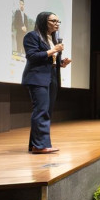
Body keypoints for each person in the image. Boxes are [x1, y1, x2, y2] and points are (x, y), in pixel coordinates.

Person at [22, 11, 71, 153]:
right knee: (41, 110)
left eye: (58, 21)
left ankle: (35, 144)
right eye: (53, 21)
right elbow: (32, 56)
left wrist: (61, 63)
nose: (57, 24)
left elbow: (48, 59)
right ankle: (40, 145)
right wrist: (54, 50)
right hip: (37, 78)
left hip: (51, 76)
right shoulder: (32, 36)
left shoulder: (52, 38)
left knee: (46, 111)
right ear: (44, 21)